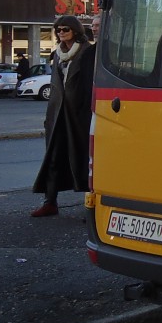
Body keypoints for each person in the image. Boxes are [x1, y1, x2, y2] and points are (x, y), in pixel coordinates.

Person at [30, 15, 96, 218]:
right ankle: (50, 202)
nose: (61, 32)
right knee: (53, 156)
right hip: (57, 113)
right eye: (58, 30)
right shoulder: (58, 54)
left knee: (84, 158)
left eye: (65, 29)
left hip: (79, 113)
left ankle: (91, 208)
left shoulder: (87, 52)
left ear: (76, 30)